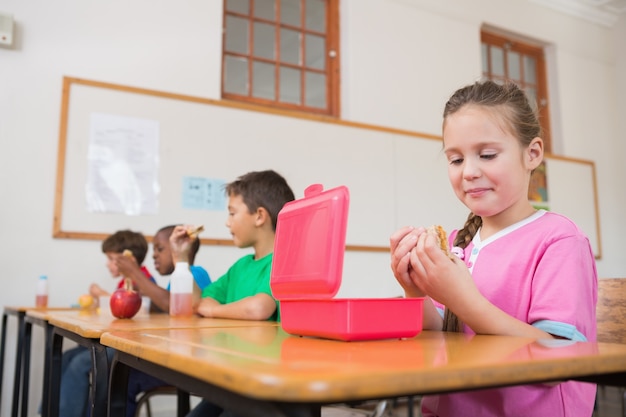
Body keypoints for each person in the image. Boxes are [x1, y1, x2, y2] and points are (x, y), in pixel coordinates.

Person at [389, 80, 597, 417]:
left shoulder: (559, 240)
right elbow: (443, 333)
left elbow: (558, 355)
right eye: (455, 160)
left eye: (487, 155)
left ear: (532, 154)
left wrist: (461, 299)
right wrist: (414, 289)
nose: (469, 172)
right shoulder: (458, 240)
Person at [173, 169, 295, 417]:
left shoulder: (285, 262)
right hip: (235, 379)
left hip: (270, 385)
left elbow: (260, 308)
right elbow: (198, 303)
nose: (228, 222)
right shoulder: (240, 267)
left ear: (259, 216)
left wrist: (214, 310)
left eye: (232, 213)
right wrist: (182, 259)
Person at [114, 224, 211, 417]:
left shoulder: (194, 274)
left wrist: (136, 272)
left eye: (159, 249)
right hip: (172, 357)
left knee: (122, 379)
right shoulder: (174, 280)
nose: (154, 256)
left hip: (187, 365)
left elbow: (170, 304)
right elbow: (163, 306)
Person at [57, 229, 155, 417]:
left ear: (128, 258)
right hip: (115, 340)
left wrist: (102, 294)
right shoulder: (124, 282)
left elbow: (137, 310)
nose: (107, 264)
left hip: (128, 346)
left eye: (111, 259)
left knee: (80, 363)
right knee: (68, 356)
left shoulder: (141, 280)